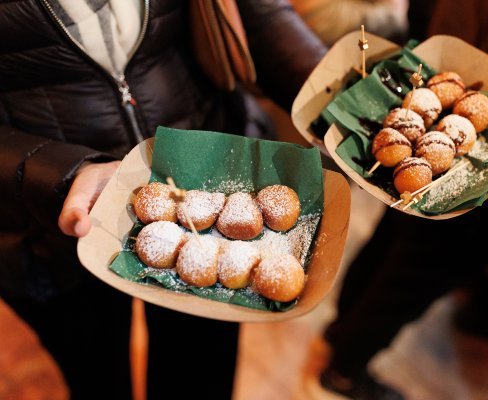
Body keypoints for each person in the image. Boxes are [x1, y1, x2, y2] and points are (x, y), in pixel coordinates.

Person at [0, 1, 326, 399]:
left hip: (204, 167)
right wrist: (56, 170)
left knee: (198, 374)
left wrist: (331, 93)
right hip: (43, 221)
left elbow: (256, 12)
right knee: (96, 373)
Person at [318, 0, 488, 398]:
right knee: (414, 276)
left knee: (396, 237)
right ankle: (345, 366)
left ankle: (343, 327)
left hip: (441, 103)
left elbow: (422, 10)